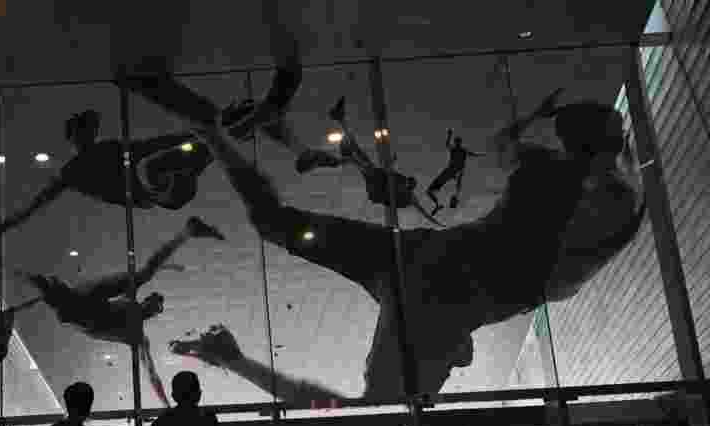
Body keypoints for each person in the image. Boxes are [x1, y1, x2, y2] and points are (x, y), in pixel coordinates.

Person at [127, 63, 643, 404]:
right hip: (436, 288)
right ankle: (209, 135)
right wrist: (236, 363)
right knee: (276, 224)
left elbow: (509, 155)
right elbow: (328, 405)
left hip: (419, 261)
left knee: (274, 222)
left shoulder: (554, 177)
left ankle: (210, 134)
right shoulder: (582, 192)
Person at [0, 62, 303, 261]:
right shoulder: (73, 172)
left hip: (171, 168)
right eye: (86, 130)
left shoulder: (107, 148)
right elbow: (30, 210)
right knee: (157, 163)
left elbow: (151, 143)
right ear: (78, 136)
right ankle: (256, 120)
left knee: (216, 130)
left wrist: (198, 133)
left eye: (90, 128)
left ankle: (265, 111)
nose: (91, 133)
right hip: (156, 186)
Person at [15, 216, 225, 406]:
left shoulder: (137, 335)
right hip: (88, 306)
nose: (153, 305)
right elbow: (145, 272)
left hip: (86, 314)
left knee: (136, 279)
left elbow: (152, 375)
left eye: (156, 305)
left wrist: (167, 406)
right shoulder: (131, 310)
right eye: (153, 301)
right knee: (142, 276)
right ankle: (187, 233)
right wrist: (166, 268)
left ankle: (187, 233)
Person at [298, 96, 444, 227]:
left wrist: (437, 223)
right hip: (377, 179)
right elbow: (389, 172)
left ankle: (345, 153)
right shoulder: (401, 182)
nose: (407, 183)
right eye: (408, 181)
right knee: (359, 155)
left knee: (360, 161)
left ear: (410, 187)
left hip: (377, 188)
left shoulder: (409, 196)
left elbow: (422, 211)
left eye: (409, 184)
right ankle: (341, 123)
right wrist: (391, 163)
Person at [426, 129, 484, 215]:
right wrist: (449, 135)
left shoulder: (463, 150)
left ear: (460, 143)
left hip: (454, 172)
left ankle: (454, 199)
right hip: (449, 171)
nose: (456, 144)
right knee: (429, 191)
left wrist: (482, 154)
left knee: (458, 183)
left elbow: (473, 154)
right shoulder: (455, 149)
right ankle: (438, 205)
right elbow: (447, 145)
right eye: (456, 142)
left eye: (458, 142)